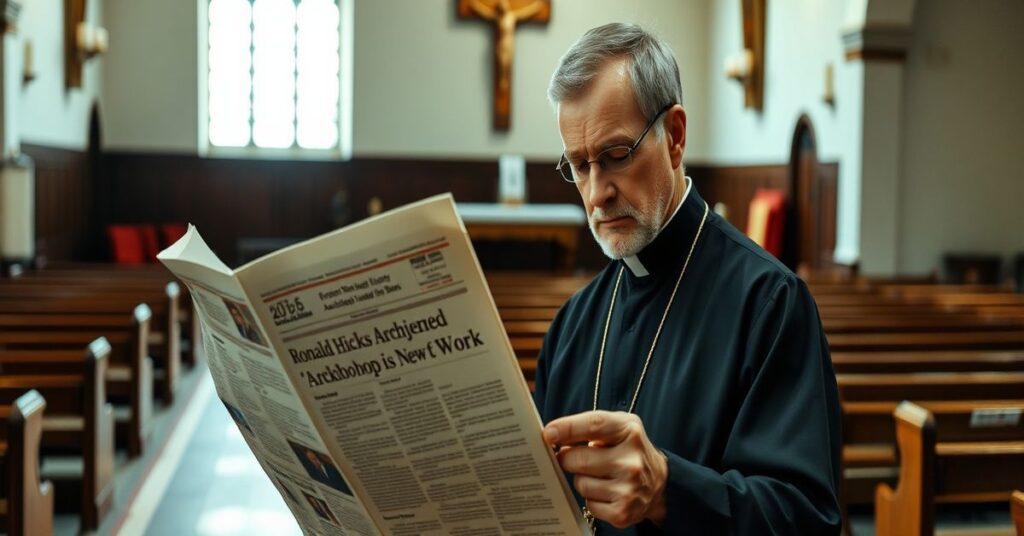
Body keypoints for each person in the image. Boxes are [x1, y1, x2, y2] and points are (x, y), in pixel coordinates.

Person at [534, 23, 842, 534]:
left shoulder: (770, 303)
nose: (597, 193)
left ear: (674, 136)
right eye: (580, 166)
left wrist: (667, 489)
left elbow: (807, 518)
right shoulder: (571, 324)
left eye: (616, 155)